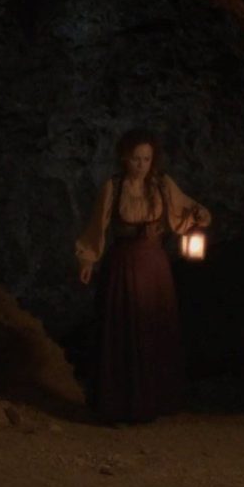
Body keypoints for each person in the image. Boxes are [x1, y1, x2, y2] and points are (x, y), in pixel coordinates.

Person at [73, 128, 212, 424]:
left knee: (152, 327)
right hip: (123, 266)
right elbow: (97, 226)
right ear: (125, 158)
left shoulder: (161, 184)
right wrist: (87, 259)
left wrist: (198, 214)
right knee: (123, 330)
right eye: (136, 158)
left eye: (146, 159)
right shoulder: (114, 187)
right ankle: (120, 405)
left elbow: (184, 208)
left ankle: (154, 401)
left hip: (153, 266)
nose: (141, 164)